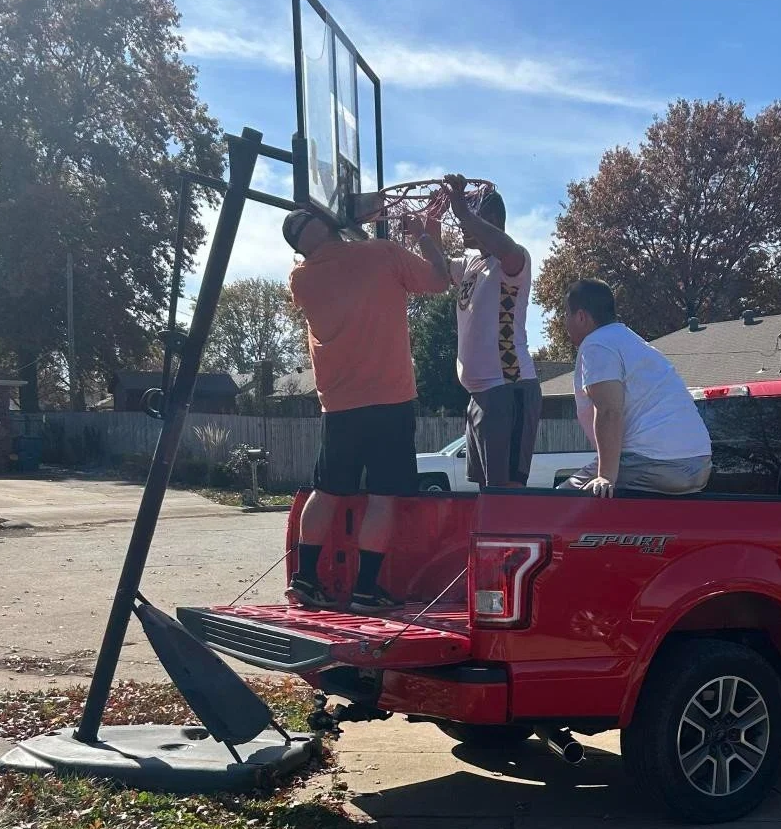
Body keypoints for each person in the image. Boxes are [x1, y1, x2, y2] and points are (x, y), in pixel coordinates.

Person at [283, 207, 450, 611]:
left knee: (326, 490)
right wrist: (425, 230)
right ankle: (365, 588)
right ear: (329, 220)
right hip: (389, 399)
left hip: (338, 404)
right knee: (382, 497)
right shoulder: (381, 253)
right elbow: (439, 279)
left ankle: (305, 579)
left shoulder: (301, 279)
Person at [559, 278, 711, 497]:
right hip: (699, 464)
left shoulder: (597, 344)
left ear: (581, 316)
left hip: (657, 463)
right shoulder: (630, 341)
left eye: (566, 314)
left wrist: (606, 476)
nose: (565, 322)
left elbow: (609, 410)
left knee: (558, 501)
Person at [443, 172, 542, 488]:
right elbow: (437, 268)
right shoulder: (471, 265)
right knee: (488, 493)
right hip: (479, 396)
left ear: (494, 220)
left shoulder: (513, 260)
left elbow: (507, 249)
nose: (463, 225)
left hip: (508, 389)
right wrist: (424, 228)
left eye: (473, 215)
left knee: (506, 495)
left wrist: (463, 212)